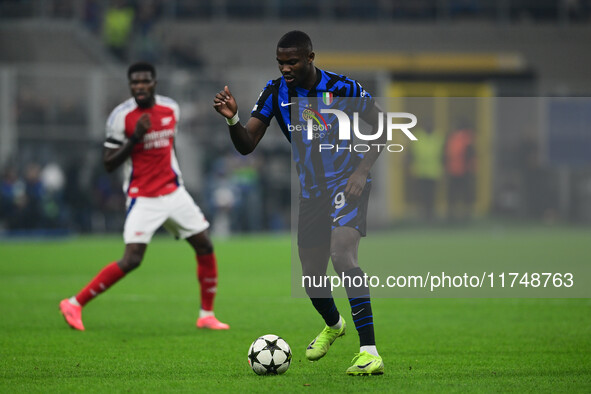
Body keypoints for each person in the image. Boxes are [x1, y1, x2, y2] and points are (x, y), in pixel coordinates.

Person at [213, 31, 384, 375]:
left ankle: (369, 351)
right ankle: (334, 325)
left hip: (347, 183)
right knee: (311, 279)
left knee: (342, 254)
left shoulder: (344, 87)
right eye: (280, 62)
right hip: (311, 194)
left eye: (292, 61)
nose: (285, 68)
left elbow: (381, 126)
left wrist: (362, 170)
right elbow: (247, 144)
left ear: (310, 57)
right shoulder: (276, 92)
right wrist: (232, 118)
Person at [60, 62, 229, 331]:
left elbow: (168, 146)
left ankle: (206, 314)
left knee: (205, 246)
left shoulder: (171, 109)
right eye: (134, 83)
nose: (139, 87)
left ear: (154, 83)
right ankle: (74, 303)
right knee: (132, 260)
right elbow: (108, 163)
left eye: (144, 82)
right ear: (130, 86)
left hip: (174, 192)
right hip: (143, 197)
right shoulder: (121, 117)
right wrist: (134, 138)